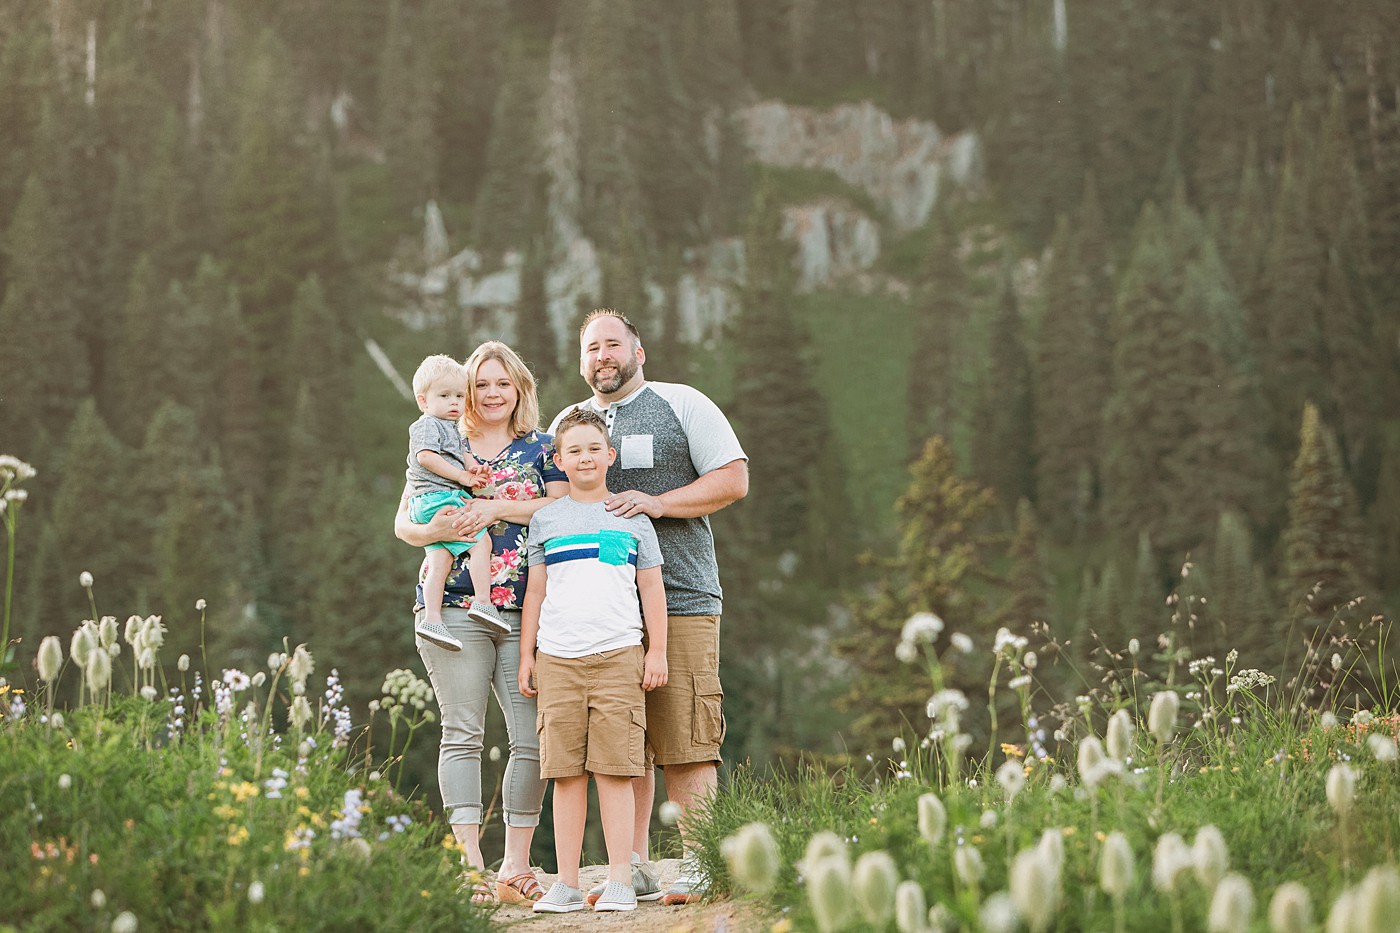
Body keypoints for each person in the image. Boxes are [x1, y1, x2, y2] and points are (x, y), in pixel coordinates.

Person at [550, 307, 748, 905]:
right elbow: (553, 512)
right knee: (622, 745)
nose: (602, 356)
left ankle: (702, 860)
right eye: (591, 348)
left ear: (641, 353)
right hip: (600, 615)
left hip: (682, 596)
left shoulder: (682, 403)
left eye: (613, 345)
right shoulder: (569, 423)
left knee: (685, 735)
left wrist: (657, 504)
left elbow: (733, 479)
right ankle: (629, 865)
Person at [394, 341, 568, 905]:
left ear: (521, 389)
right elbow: (404, 523)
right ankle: (470, 868)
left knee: (531, 739)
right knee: (462, 732)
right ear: (465, 392)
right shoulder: (444, 440)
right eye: (482, 384)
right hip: (453, 606)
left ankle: (515, 867)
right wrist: (430, 530)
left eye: (503, 384)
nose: (492, 394)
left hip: (526, 606)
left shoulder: (543, 449)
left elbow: (563, 507)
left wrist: (496, 508)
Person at [518, 408, 669, 913]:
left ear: (610, 456)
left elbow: (652, 588)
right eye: (573, 450)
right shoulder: (546, 520)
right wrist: (527, 655)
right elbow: (535, 591)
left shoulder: (631, 517)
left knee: (616, 770)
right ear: (559, 460)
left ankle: (621, 878)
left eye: (593, 449)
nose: (584, 458)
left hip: (619, 656)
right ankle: (565, 883)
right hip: (557, 659)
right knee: (564, 774)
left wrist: (658, 651)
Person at [404, 354, 507, 651]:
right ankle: (484, 602)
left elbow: (465, 458)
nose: (454, 403)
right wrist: (462, 477)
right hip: (437, 497)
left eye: (460, 396)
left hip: (434, 499)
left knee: (440, 560)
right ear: (424, 401)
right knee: (480, 543)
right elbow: (426, 457)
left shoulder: (453, 428)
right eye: (445, 395)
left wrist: (475, 470)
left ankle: (432, 618)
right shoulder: (427, 425)